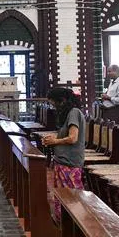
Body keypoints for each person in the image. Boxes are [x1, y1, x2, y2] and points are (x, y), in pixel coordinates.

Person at [40, 88, 85, 220]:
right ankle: (63, 225)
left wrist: (55, 141)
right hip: (62, 161)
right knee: (62, 197)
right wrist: (52, 138)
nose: (54, 107)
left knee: (72, 198)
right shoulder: (67, 113)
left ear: (62, 101)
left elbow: (73, 138)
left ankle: (75, 225)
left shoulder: (74, 113)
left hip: (70, 162)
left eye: (54, 104)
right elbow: (64, 135)